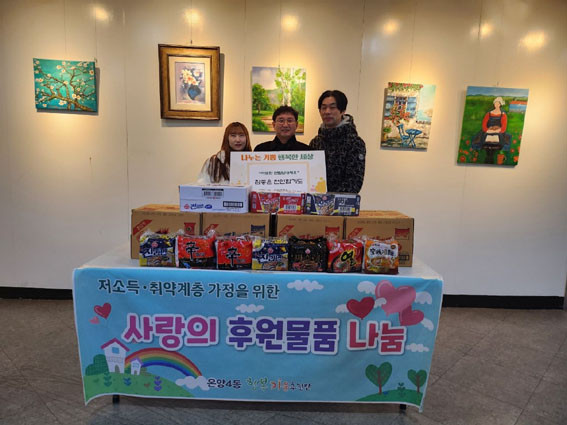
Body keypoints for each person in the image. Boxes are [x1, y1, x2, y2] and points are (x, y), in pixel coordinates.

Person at [309, 90, 366, 193]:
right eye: (323, 108)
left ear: (342, 110)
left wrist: (329, 199)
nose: (327, 112)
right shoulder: (315, 142)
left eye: (332, 107)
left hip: (341, 201)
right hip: (316, 200)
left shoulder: (355, 143)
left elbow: (354, 182)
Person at [471, 96, 511, 164]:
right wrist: (488, 130)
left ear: (500, 104)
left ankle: (493, 157)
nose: (496, 104)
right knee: (482, 138)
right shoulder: (488, 114)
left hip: (498, 132)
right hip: (488, 131)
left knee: (500, 140)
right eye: (495, 103)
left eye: (498, 103)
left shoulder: (503, 115)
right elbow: (484, 125)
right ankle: (487, 156)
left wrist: (497, 131)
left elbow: (504, 127)